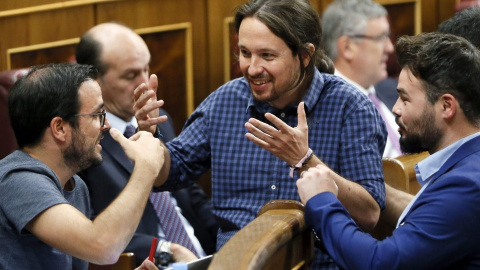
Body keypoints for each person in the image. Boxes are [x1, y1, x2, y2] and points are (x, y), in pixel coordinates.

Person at [133, 0, 387, 268]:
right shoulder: (226, 101)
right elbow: (170, 173)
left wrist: (305, 160)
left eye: (267, 56)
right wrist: (149, 140)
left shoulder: (350, 107)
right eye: (245, 53)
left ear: (305, 55)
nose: (252, 68)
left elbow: (369, 214)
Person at [297, 32, 480, 269]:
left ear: (446, 106)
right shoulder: (467, 167)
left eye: (405, 99)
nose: (395, 109)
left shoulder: (466, 185)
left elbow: (379, 263)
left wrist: (321, 199)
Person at [75, 22, 218, 267]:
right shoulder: (82, 141)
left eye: (147, 69)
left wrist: (234, 233)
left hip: (202, 257)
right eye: (131, 75)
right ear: (93, 80)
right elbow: (84, 233)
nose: (145, 85)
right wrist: (164, 249)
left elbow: (189, 196)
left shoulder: (158, 118)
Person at [0, 63, 165, 269]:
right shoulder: (18, 180)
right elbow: (103, 247)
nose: (106, 125)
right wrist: (146, 168)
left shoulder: (75, 186)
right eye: (97, 115)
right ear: (59, 128)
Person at [321, 0, 401, 157]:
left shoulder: (394, 90)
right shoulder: (324, 107)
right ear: (347, 47)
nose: (390, 47)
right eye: (381, 37)